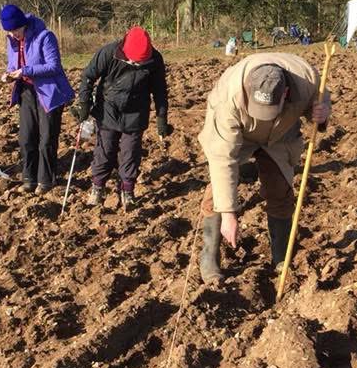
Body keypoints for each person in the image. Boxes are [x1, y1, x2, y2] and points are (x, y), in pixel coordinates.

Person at [197, 53, 331, 282]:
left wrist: (321, 112)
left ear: (285, 94)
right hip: (239, 131)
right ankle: (209, 257)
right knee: (217, 194)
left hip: (281, 134)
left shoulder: (307, 79)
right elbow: (222, 159)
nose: (263, 116)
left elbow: (321, 99)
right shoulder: (229, 99)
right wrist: (229, 214)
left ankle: (280, 256)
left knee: (280, 189)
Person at [70, 25, 170, 209]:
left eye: (141, 63)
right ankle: (98, 188)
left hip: (136, 112)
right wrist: (84, 104)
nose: (138, 66)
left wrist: (162, 118)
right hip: (108, 109)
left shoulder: (155, 60)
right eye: (135, 63)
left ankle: (128, 191)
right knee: (105, 150)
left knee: (130, 153)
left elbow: (160, 90)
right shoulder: (109, 53)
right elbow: (88, 76)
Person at [0, 4, 75, 193]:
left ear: (23, 24)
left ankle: (46, 180)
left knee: (47, 138)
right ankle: (29, 178)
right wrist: (8, 75)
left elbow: (54, 66)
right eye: (9, 32)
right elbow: (12, 65)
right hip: (26, 93)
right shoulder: (12, 41)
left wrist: (25, 71)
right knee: (26, 138)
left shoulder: (45, 37)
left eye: (15, 30)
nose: (12, 35)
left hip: (49, 93)